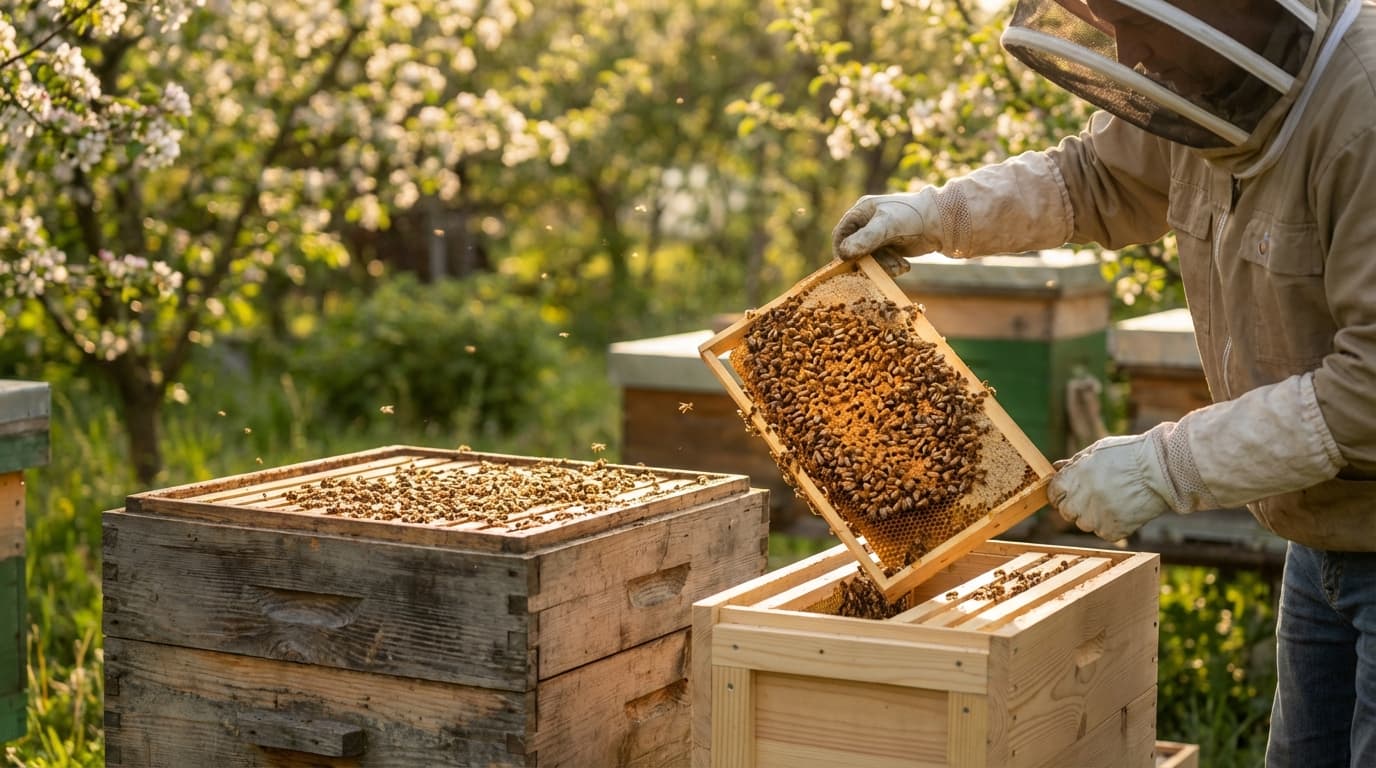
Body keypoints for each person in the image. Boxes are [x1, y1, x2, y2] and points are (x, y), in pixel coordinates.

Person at [830, 1, 1376, 765]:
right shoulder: (1210, 82)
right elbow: (1091, 180)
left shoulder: (1363, 112)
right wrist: (938, 214)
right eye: (1109, 21)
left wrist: (1168, 465)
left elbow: (1370, 387)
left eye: (1137, 23)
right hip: (1322, 535)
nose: (1128, 53)